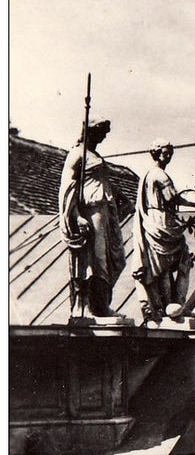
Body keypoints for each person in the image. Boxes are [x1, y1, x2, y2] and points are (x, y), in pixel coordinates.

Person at [59, 117, 127, 318]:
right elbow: (68, 188)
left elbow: (101, 180)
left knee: (117, 259)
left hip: (106, 210)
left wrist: (121, 196)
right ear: (90, 131)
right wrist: (77, 216)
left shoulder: (93, 155)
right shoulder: (76, 154)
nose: (104, 137)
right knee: (97, 261)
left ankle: (100, 304)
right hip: (92, 211)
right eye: (101, 132)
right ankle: (93, 307)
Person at [132, 140, 195, 321]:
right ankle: (177, 305)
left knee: (161, 268)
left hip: (154, 221)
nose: (168, 156)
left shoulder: (148, 174)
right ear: (156, 153)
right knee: (182, 262)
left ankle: (165, 308)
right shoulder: (159, 175)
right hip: (162, 221)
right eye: (165, 153)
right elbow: (172, 198)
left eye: (170, 153)